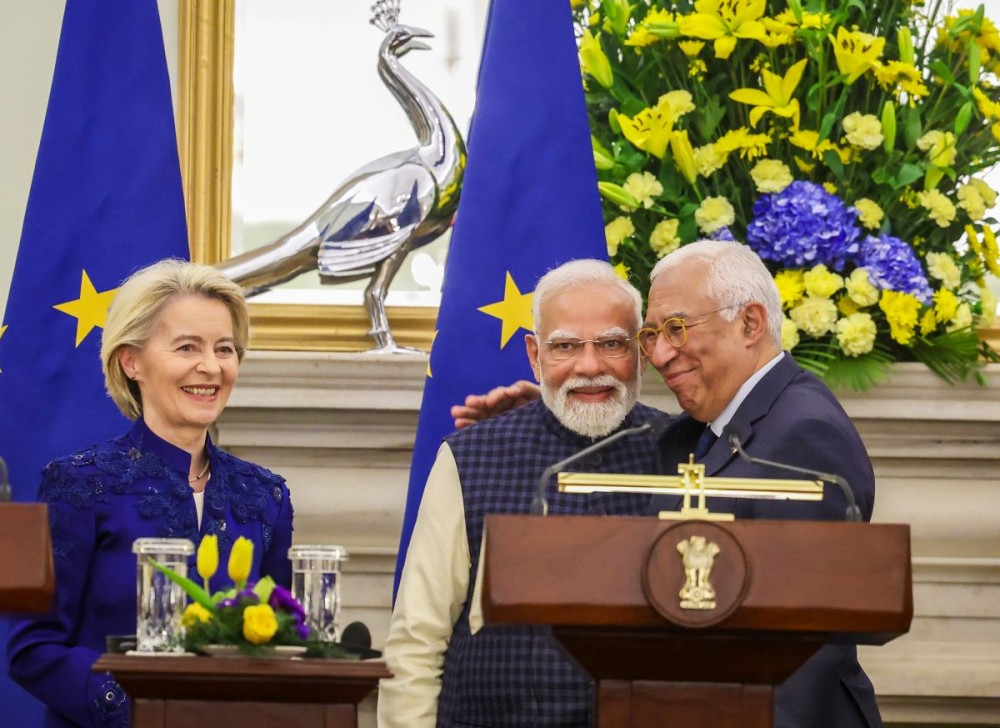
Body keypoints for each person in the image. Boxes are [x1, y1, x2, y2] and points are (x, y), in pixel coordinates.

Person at [451, 240, 882, 727]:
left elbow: (803, 651)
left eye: (675, 329)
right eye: (652, 334)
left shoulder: (803, 434)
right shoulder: (722, 422)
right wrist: (556, 409)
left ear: (750, 323)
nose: (657, 353)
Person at [6, 260, 294, 728]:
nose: (211, 366)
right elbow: (33, 648)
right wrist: (145, 711)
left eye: (225, 348)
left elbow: (285, 639)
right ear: (131, 361)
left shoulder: (266, 496)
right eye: (187, 347)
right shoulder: (78, 483)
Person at [378, 259, 665, 728]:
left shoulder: (682, 452)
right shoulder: (469, 458)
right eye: (565, 347)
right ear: (534, 356)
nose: (589, 367)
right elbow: (416, 641)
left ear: (641, 351)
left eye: (611, 344)